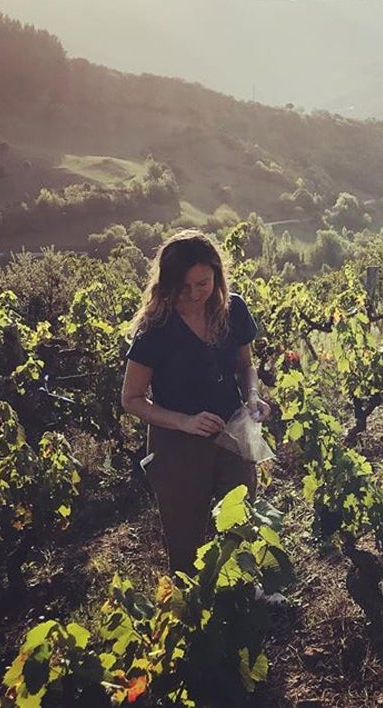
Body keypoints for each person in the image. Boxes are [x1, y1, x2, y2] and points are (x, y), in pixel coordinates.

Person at [121, 230, 270, 574]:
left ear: (217, 275)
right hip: (178, 446)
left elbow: (246, 366)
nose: (194, 295)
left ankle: (244, 591)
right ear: (167, 284)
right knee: (185, 539)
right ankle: (192, 608)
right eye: (183, 287)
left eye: (202, 284)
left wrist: (252, 396)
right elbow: (131, 399)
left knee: (241, 518)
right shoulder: (155, 328)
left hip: (233, 432)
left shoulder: (233, 310)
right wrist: (185, 422)